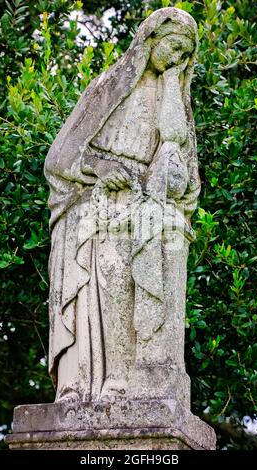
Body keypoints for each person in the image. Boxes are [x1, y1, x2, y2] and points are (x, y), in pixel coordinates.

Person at [44, 7, 200, 404]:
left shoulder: (177, 103)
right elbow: (59, 159)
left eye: (186, 54)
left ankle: (134, 379)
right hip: (92, 204)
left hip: (142, 207)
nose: (178, 59)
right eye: (173, 47)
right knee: (112, 270)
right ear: (150, 40)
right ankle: (89, 383)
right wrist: (101, 168)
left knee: (152, 252)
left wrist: (170, 92)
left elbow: (185, 181)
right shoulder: (110, 86)